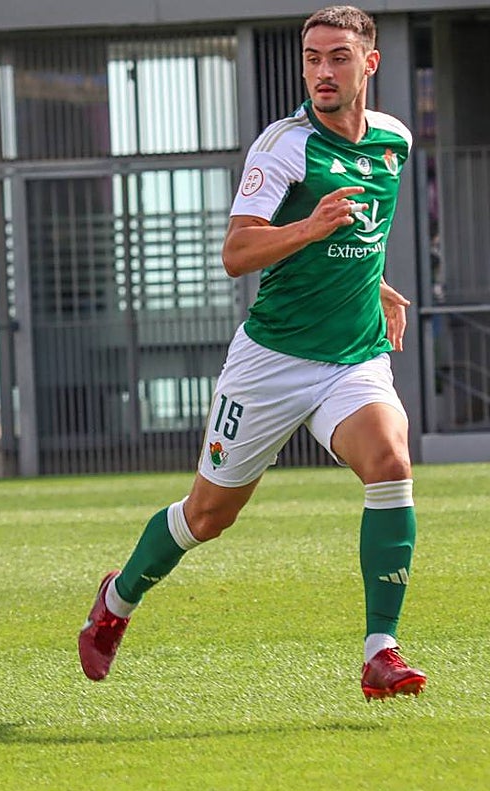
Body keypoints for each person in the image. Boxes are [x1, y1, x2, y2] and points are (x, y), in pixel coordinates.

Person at [77, 6, 425, 702]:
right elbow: (237, 253)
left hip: (353, 358)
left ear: (370, 64)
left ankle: (380, 652)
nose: (323, 72)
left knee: (390, 461)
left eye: (338, 57)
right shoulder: (284, 146)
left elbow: (361, 234)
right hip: (272, 361)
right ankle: (116, 600)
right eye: (313, 59)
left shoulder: (394, 141)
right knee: (208, 516)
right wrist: (310, 224)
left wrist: (377, 282)